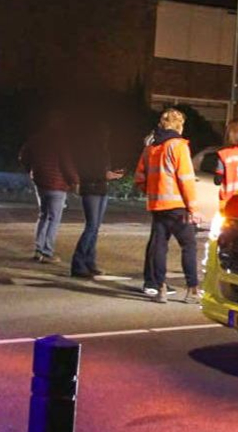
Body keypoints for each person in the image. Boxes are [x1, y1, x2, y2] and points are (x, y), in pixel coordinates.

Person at [135, 107, 199, 302]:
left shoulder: (150, 148)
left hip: (157, 206)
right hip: (177, 206)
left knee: (159, 247)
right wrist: (192, 208)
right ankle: (192, 290)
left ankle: (160, 288)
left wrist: (152, 191)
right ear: (179, 125)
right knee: (189, 245)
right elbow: (186, 179)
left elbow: (139, 178)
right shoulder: (178, 146)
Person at [18, 112, 78, 263]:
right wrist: (74, 181)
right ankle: (47, 252)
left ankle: (38, 249)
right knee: (54, 218)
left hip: (40, 181)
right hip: (57, 183)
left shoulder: (36, 139)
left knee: (43, 215)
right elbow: (66, 163)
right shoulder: (62, 141)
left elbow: (23, 156)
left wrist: (31, 170)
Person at [69, 121, 123, 279]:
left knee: (95, 227)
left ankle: (89, 262)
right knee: (92, 226)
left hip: (100, 188)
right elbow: (86, 171)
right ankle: (78, 263)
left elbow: (99, 170)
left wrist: (109, 174)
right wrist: (104, 175)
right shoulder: (87, 150)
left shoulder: (103, 150)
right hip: (92, 189)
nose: (106, 137)